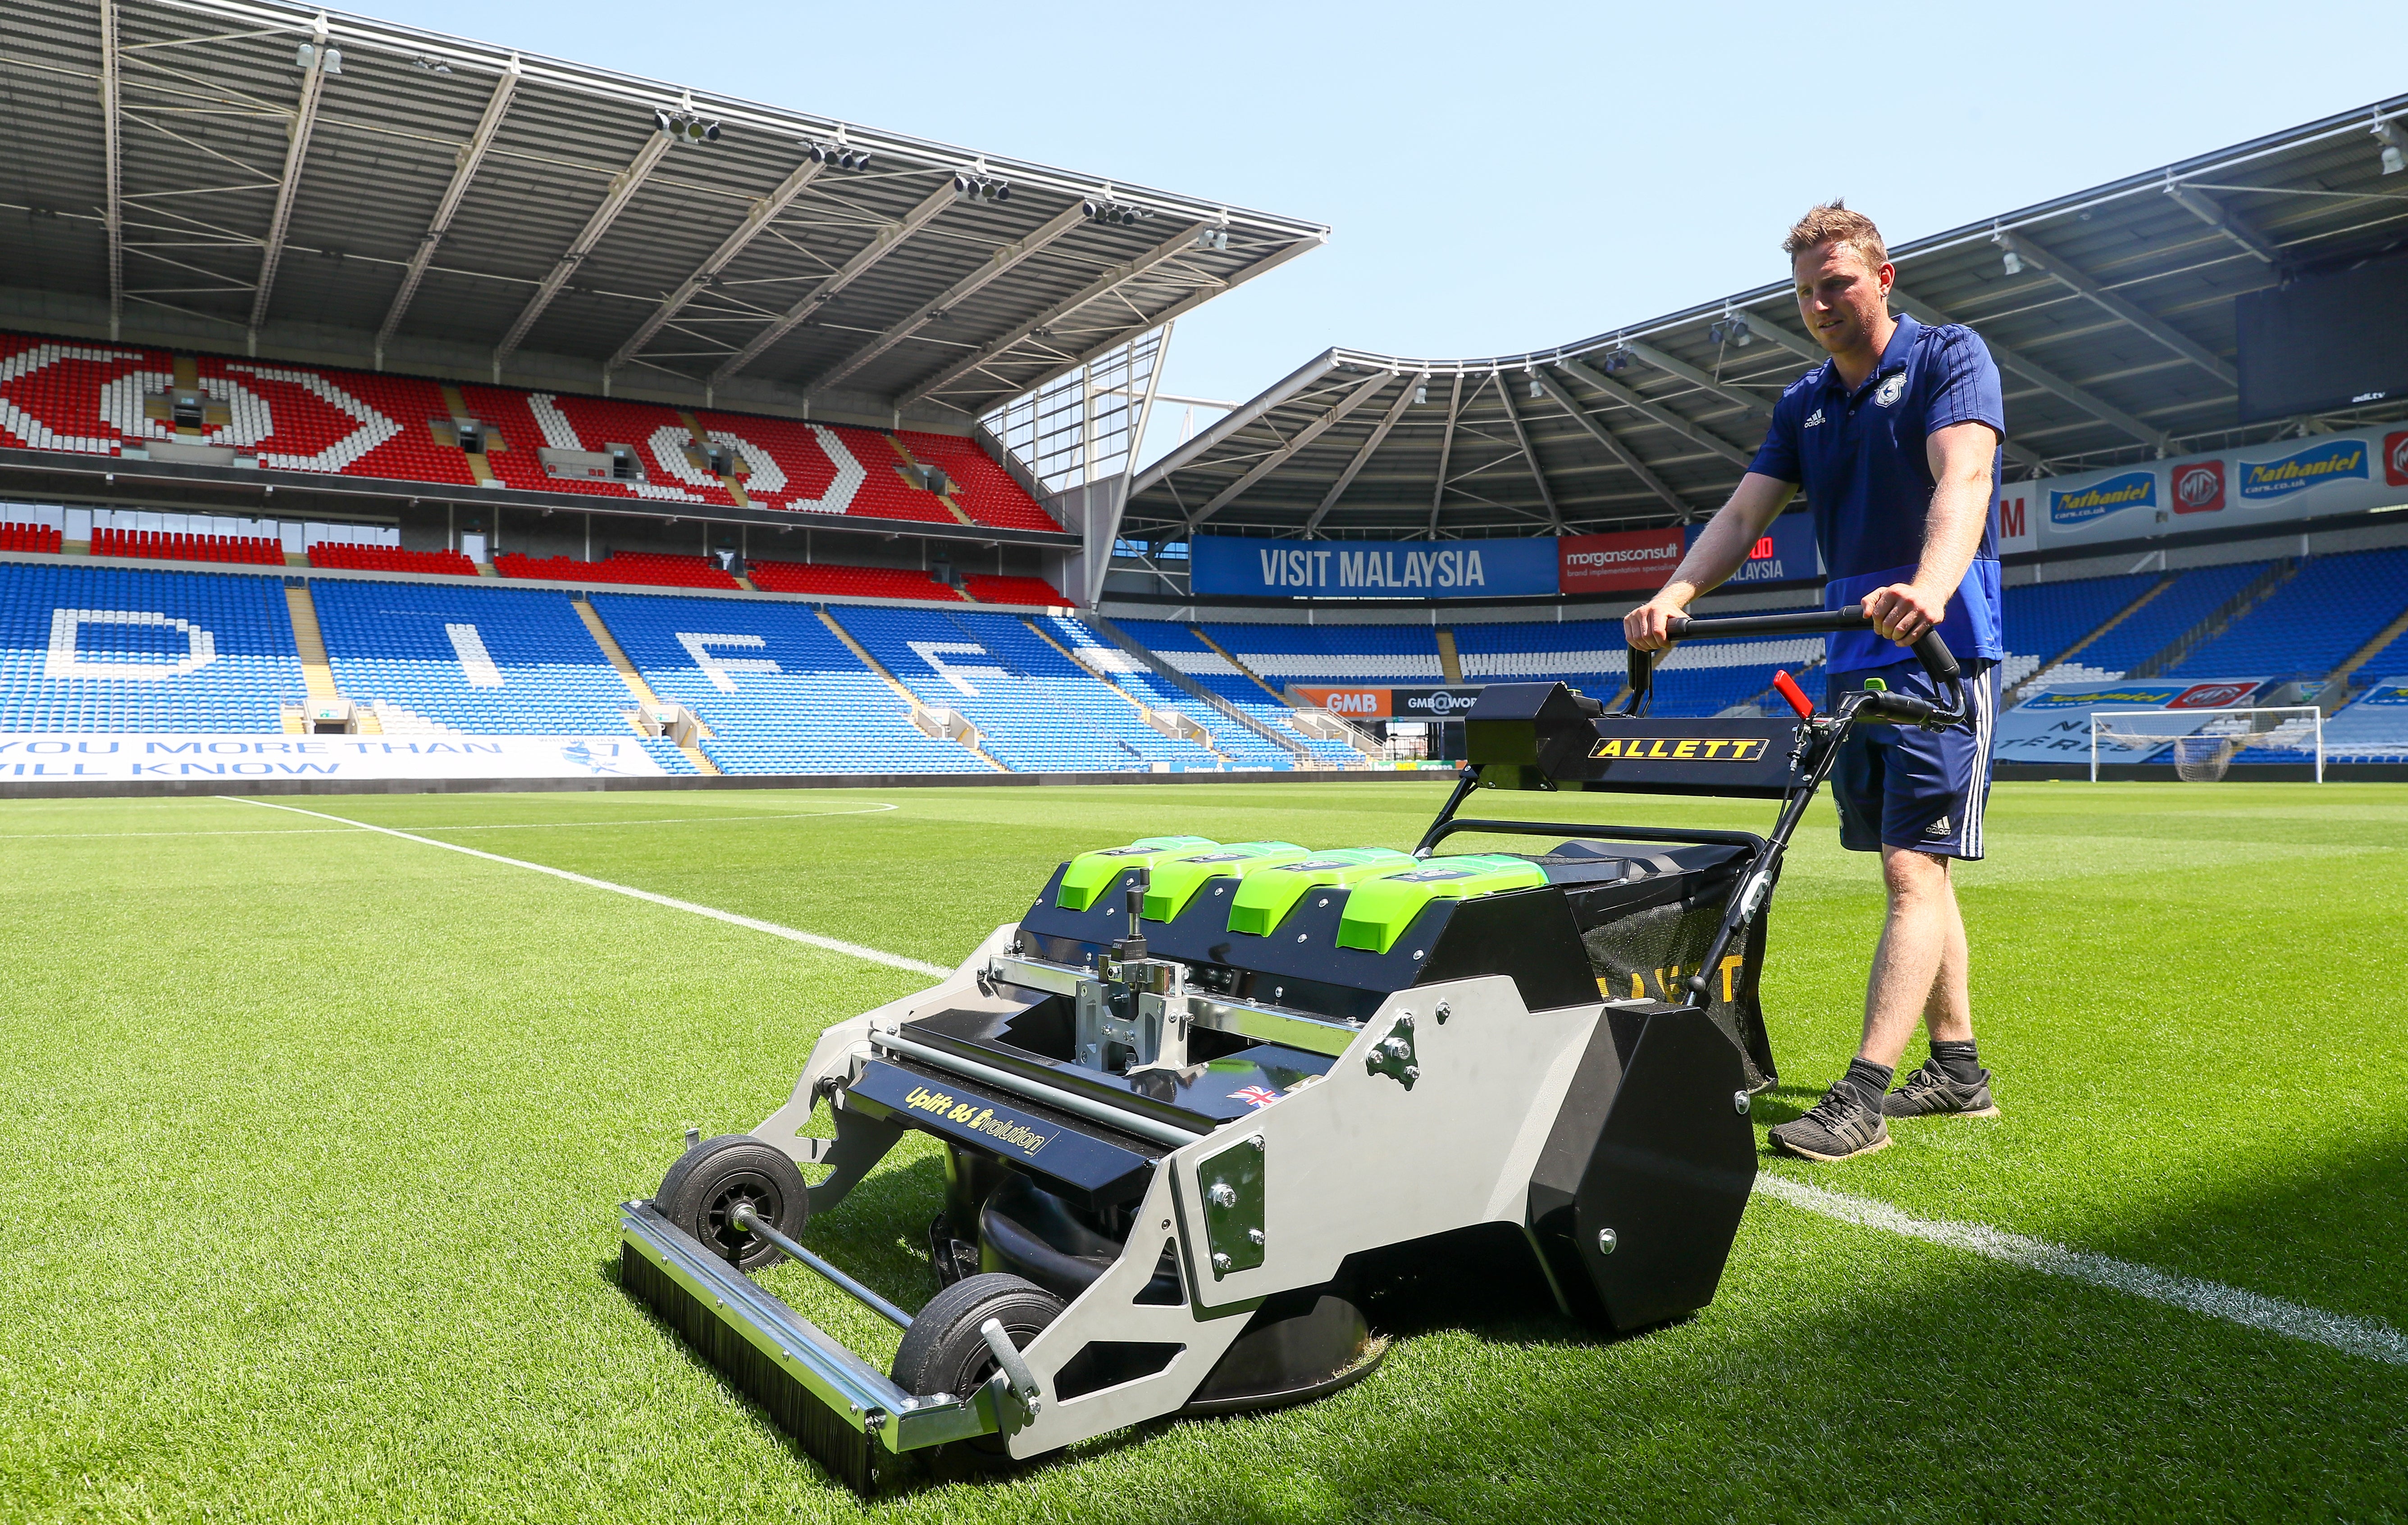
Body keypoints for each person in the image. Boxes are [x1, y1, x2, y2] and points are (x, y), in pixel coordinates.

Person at [1623, 202, 2005, 1162]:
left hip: (1938, 651)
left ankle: (1862, 1097)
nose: (1818, 303)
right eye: (1802, 292)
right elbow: (1745, 508)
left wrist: (1924, 588)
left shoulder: (1948, 356)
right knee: (1909, 860)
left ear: (1881, 278)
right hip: (1850, 660)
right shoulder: (1803, 403)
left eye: (1835, 282)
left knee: (1911, 868)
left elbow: (1963, 478)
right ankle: (1956, 1070)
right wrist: (1673, 591)